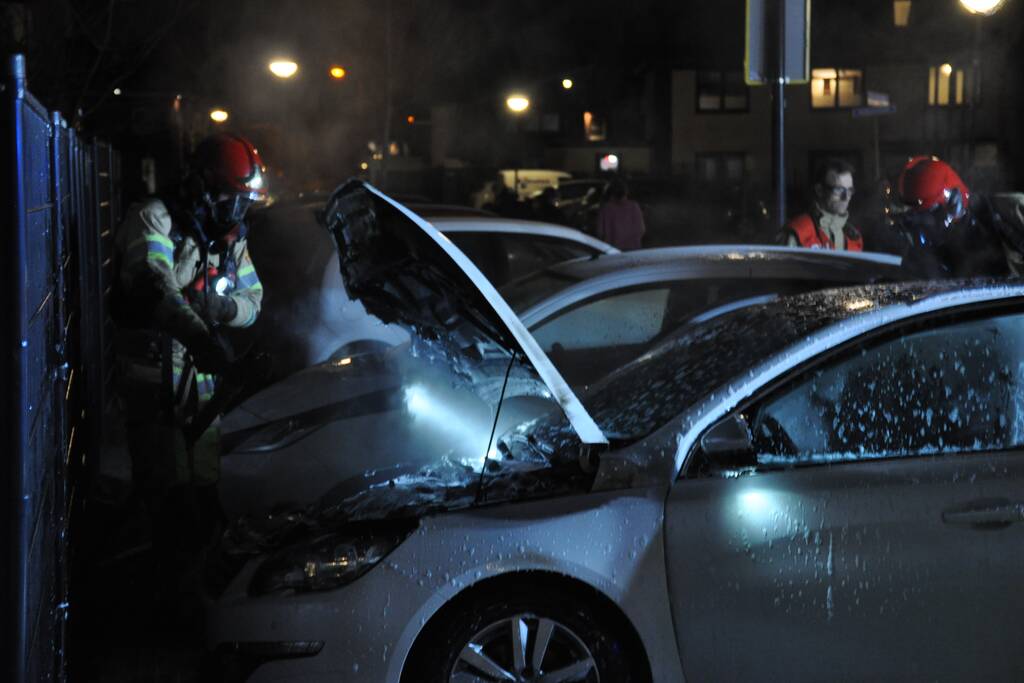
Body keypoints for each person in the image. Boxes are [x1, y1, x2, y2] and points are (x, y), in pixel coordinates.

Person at [112, 133, 266, 597]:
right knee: (165, 506)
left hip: (201, 399)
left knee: (204, 501)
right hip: (156, 388)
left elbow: (255, 300)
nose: (236, 211)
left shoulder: (230, 241)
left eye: (242, 202)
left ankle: (195, 602)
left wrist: (224, 312)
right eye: (230, 198)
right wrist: (201, 337)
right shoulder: (153, 219)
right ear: (202, 185)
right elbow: (154, 287)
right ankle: (158, 607)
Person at [894, 155, 1024, 278]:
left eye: (931, 213)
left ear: (954, 199)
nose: (926, 223)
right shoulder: (921, 254)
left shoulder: (1013, 210)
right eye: (918, 216)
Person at [779, 158, 863, 251]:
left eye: (849, 190)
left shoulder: (853, 237)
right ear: (819, 190)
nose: (846, 197)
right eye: (838, 190)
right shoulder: (798, 232)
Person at [596, 178, 645, 250]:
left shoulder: (606, 208)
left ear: (610, 193)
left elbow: (600, 232)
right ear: (626, 192)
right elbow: (641, 229)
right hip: (633, 249)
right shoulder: (634, 206)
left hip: (612, 251)